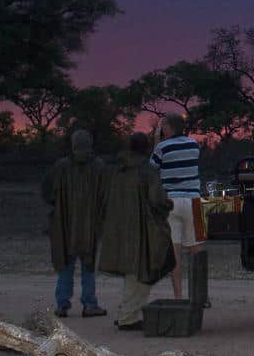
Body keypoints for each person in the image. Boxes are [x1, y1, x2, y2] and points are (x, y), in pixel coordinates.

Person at [98, 131, 175, 331]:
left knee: (132, 273)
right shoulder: (147, 171)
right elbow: (157, 199)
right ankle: (127, 317)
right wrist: (168, 204)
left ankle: (127, 313)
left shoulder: (116, 170)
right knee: (144, 271)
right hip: (143, 229)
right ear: (146, 148)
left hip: (118, 227)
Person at [41, 129, 109, 318]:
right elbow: (106, 196)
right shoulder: (99, 166)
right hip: (89, 226)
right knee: (88, 266)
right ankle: (89, 304)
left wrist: (58, 207)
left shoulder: (61, 166)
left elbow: (47, 192)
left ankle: (62, 304)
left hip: (65, 225)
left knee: (65, 264)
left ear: (73, 145)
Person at [151, 113, 204, 300]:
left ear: (169, 127)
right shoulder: (193, 145)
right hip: (194, 201)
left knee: (174, 254)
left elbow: (151, 170)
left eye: (163, 126)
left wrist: (156, 142)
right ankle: (201, 295)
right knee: (197, 251)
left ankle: (179, 297)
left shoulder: (162, 147)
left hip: (171, 202)